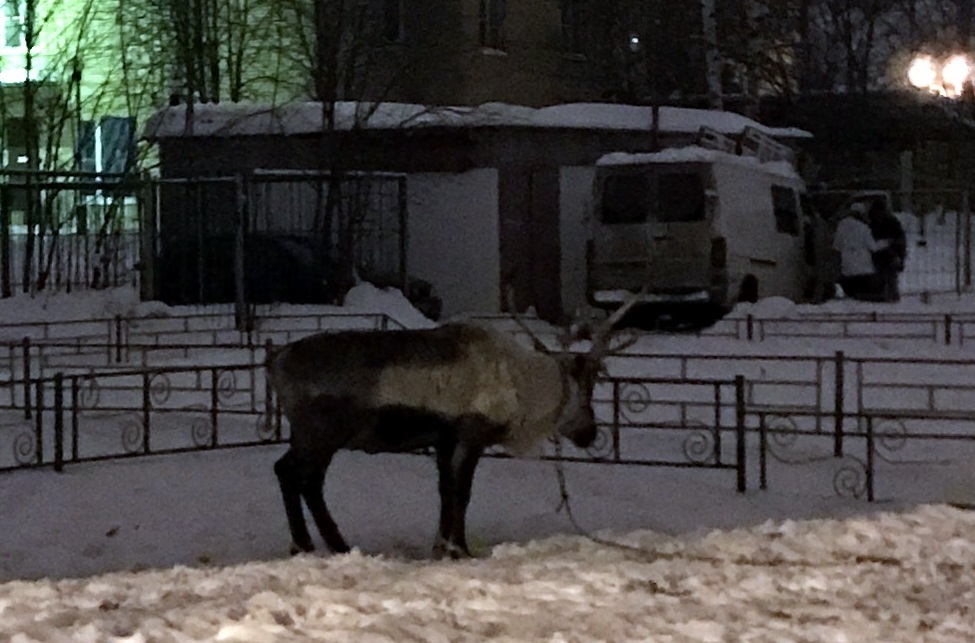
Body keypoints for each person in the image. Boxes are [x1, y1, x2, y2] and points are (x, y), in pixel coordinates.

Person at [832, 202, 887, 301]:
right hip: (863, 268)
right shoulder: (863, 228)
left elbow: (836, 246)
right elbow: (873, 247)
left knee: (851, 297)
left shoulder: (841, 226)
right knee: (863, 296)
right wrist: (885, 243)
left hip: (847, 267)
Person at [868, 201, 907, 302]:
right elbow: (901, 239)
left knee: (887, 276)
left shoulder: (872, 221)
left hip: (885, 254)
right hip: (886, 253)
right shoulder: (890, 221)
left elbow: (900, 240)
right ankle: (889, 296)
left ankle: (889, 296)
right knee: (887, 277)